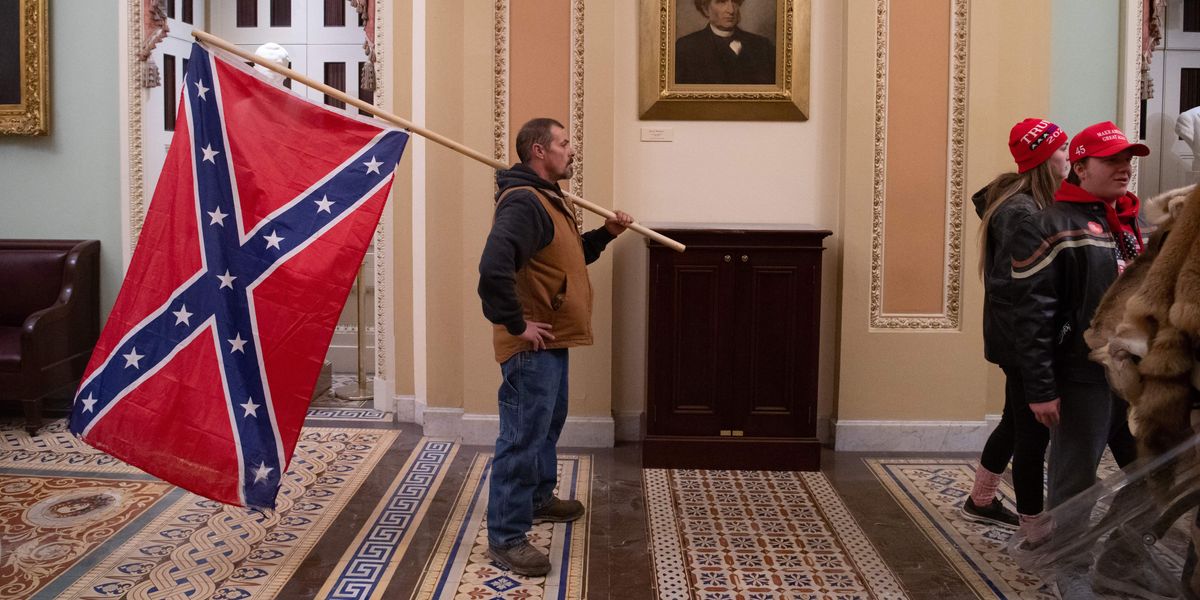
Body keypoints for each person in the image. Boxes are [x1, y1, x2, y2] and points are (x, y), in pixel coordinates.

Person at [477, 117, 633, 577]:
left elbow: (567, 258)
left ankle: (540, 498)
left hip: (554, 340)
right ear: (539, 152)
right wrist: (515, 323)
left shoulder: (550, 200)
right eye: (564, 143)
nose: (571, 150)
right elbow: (492, 268)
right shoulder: (525, 203)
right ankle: (506, 537)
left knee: (546, 427)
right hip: (532, 347)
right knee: (522, 438)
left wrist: (606, 234)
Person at [1008, 121, 1148, 599]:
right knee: (1075, 484)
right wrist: (1041, 388)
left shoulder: (1128, 222)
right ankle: (1071, 569)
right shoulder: (1050, 223)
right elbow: (1032, 317)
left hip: (1134, 378)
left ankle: (1121, 559)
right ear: (1081, 165)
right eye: (1113, 160)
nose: (1125, 168)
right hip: (1080, 376)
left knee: (1156, 472)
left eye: (1128, 159)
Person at [961, 119, 1069, 539]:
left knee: (1014, 420)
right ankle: (1035, 529)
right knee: (1032, 436)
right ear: (1043, 157)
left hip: (1018, 337)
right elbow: (1017, 290)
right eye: (1062, 148)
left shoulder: (1022, 203)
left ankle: (982, 499)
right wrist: (1036, 347)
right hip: (1024, 339)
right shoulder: (1022, 213)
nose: (1068, 155)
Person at [675, 0, 775, 85]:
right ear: (705, 9)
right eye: (721, 2)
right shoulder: (685, 47)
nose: (731, 10)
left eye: (735, 1)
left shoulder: (763, 46)